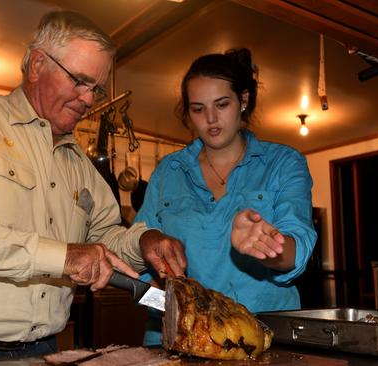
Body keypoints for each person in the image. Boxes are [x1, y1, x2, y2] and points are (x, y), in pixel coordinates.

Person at [0, 10, 185, 364]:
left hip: (45, 350)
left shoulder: (80, 166)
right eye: (79, 81)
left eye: (97, 89)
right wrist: (62, 257)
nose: (90, 100)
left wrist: (143, 240)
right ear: (37, 65)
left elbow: (105, 238)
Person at [134, 48, 317, 345]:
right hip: (177, 341)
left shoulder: (283, 163)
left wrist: (269, 247)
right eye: (197, 109)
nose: (210, 119)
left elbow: (298, 251)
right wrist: (164, 296)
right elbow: (138, 255)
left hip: (262, 341)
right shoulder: (169, 171)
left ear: (243, 101)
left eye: (221, 104)